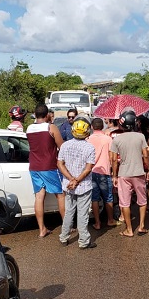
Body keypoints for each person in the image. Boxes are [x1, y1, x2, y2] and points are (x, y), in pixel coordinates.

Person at [27, 104, 66, 238]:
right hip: (49, 165)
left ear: (35, 114)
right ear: (47, 115)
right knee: (60, 195)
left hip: (34, 166)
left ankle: (41, 229)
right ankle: (67, 226)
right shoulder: (51, 127)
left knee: (39, 197)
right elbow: (62, 146)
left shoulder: (29, 128)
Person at [57, 117, 97, 249]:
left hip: (69, 185)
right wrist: (77, 180)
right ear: (87, 132)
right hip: (83, 185)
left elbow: (60, 164)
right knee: (82, 214)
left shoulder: (65, 145)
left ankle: (64, 237)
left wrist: (71, 179)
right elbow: (88, 168)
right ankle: (84, 241)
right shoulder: (89, 147)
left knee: (69, 212)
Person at [110, 110, 149, 237]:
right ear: (134, 123)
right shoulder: (141, 137)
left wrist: (114, 175)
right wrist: (148, 170)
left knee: (125, 202)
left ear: (121, 124)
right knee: (142, 200)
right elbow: (145, 155)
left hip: (123, 174)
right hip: (139, 172)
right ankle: (142, 226)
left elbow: (113, 160)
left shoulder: (117, 139)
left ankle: (129, 229)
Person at [88, 117, 117, 229]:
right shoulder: (108, 139)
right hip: (105, 171)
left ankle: (97, 222)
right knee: (108, 197)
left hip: (91, 171)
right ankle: (110, 220)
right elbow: (112, 157)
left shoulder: (88, 139)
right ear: (102, 127)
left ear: (92, 127)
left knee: (94, 198)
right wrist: (114, 173)